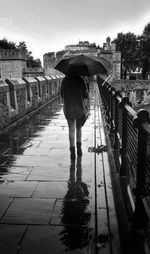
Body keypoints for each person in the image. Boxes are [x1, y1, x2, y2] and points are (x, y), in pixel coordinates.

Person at [61, 74, 89, 160]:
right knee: (78, 128)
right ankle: (79, 149)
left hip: (68, 108)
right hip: (79, 108)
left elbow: (62, 95)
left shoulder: (64, 80)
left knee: (71, 129)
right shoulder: (81, 80)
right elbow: (86, 95)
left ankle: (72, 152)